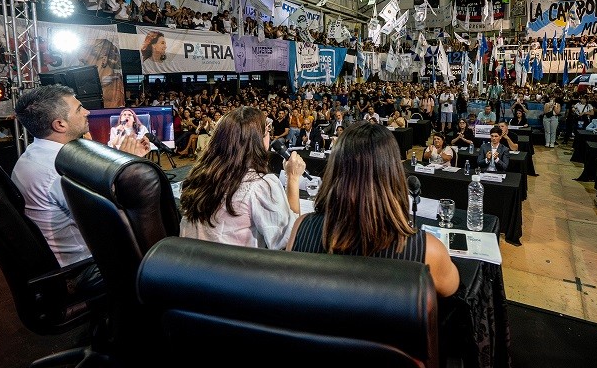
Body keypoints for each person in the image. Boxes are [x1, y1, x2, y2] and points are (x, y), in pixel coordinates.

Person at [287, 122, 459, 297]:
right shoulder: (428, 250)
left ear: (335, 170)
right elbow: (452, 288)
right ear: (393, 173)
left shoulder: (302, 228)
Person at [10, 85, 103, 291]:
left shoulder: (33, 154)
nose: (87, 112)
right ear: (60, 124)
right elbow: (110, 219)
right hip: (81, 267)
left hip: (57, 261)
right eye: (79, 109)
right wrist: (129, 165)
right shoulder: (61, 169)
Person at [179, 106, 305, 249]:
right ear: (259, 140)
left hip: (190, 266)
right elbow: (290, 239)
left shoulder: (199, 176)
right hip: (235, 269)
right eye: (267, 132)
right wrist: (293, 178)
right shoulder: (259, 185)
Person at [76, 38, 125, 108]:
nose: (84, 68)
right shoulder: (92, 84)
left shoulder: (115, 86)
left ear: (104, 59)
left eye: (86, 63)